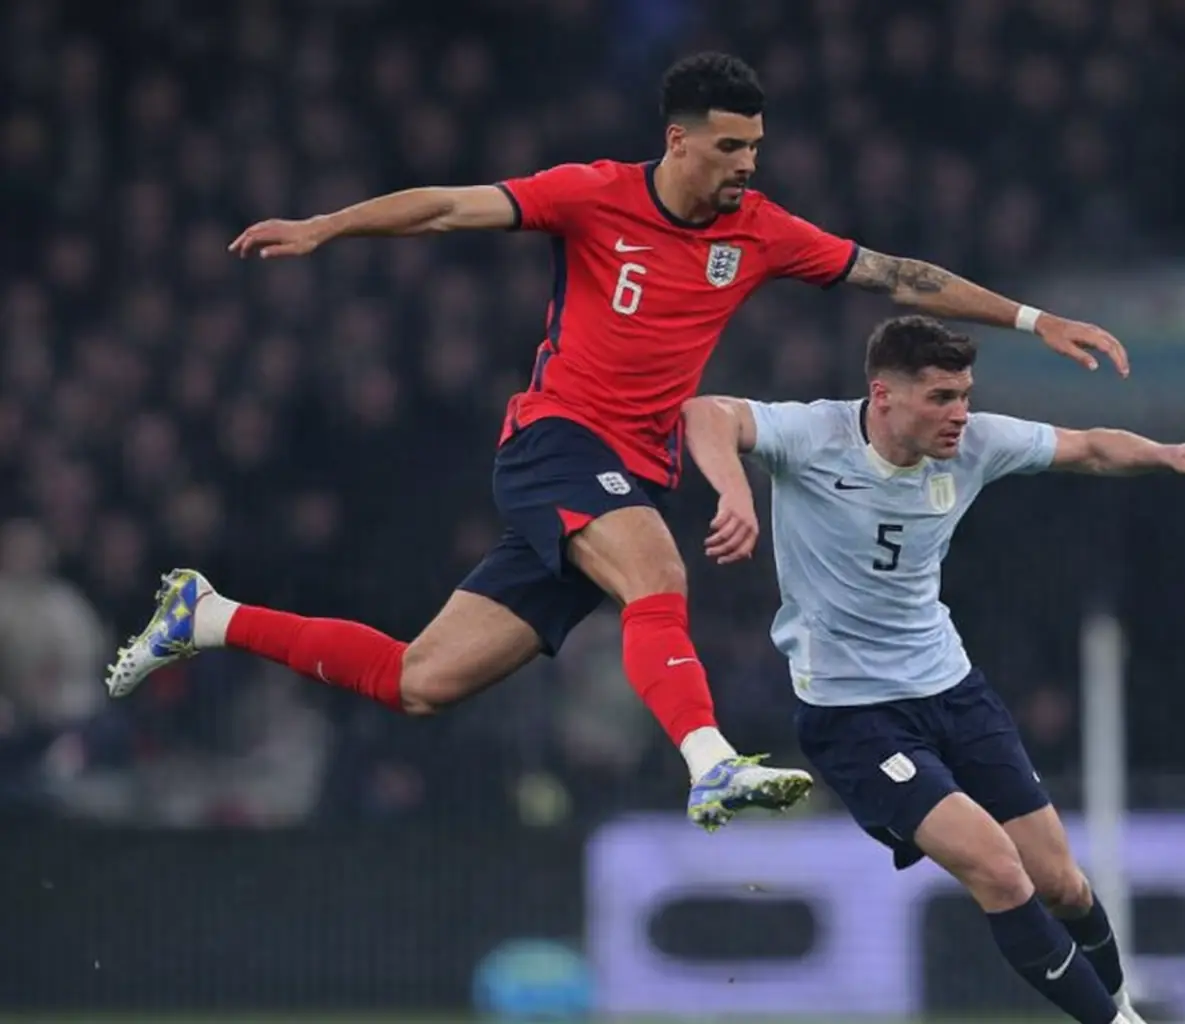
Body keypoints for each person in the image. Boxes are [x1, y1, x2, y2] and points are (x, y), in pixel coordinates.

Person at [105, 53, 1129, 831]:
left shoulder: (759, 229)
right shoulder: (594, 195)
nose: (748, 167)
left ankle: (210, 613)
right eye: (731, 148)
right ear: (680, 142)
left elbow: (897, 275)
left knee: (423, 679)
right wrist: (328, 227)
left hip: (625, 471)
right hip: (555, 440)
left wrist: (1036, 322)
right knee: (657, 573)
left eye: (756, 149)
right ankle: (710, 761)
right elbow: (450, 208)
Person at [679, 314, 1185, 1023]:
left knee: (1062, 885)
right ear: (884, 396)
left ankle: (1120, 1005)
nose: (960, 415)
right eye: (941, 398)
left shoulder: (974, 445)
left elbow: (1091, 446)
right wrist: (735, 492)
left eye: (965, 395)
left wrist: (1165, 453)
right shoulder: (811, 435)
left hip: (954, 693)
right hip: (857, 716)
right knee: (998, 870)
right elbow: (703, 412)